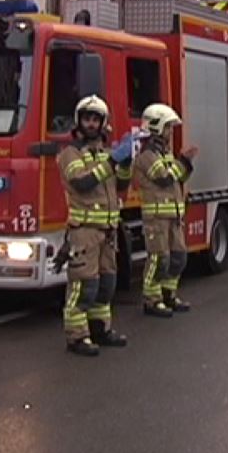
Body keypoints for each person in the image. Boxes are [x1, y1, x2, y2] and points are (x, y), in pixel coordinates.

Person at [57, 95, 134, 356]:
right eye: (86, 118)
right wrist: (112, 162)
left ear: (103, 123)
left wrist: (125, 164)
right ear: (79, 121)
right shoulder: (71, 153)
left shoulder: (105, 153)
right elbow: (82, 182)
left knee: (106, 284)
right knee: (84, 285)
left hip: (108, 231)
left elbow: (121, 187)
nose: (90, 124)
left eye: (95, 119)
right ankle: (77, 337)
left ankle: (100, 329)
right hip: (85, 231)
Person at [134, 103, 195, 317]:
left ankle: (169, 295)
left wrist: (184, 165)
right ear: (156, 127)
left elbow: (178, 178)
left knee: (178, 257)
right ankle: (152, 300)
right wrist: (183, 161)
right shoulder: (147, 155)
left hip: (173, 216)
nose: (170, 132)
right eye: (168, 127)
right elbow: (164, 178)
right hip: (157, 218)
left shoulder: (165, 154)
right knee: (159, 259)